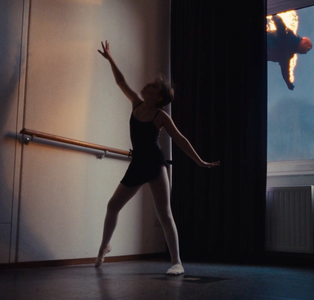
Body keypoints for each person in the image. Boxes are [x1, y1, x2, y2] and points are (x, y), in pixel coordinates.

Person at [94, 41, 220, 275]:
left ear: (158, 97)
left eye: (152, 85)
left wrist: (199, 161)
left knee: (164, 213)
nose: (147, 84)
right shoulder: (136, 104)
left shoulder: (161, 116)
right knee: (113, 206)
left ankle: (177, 262)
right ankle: (104, 246)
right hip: (137, 164)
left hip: (154, 164)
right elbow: (120, 81)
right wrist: (110, 58)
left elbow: (181, 140)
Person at [267, 14, 312, 90]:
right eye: (307, 49)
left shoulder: (288, 54)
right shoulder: (289, 36)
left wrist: (288, 83)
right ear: (303, 42)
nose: (305, 52)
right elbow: (280, 24)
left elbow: (285, 69)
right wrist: (273, 13)